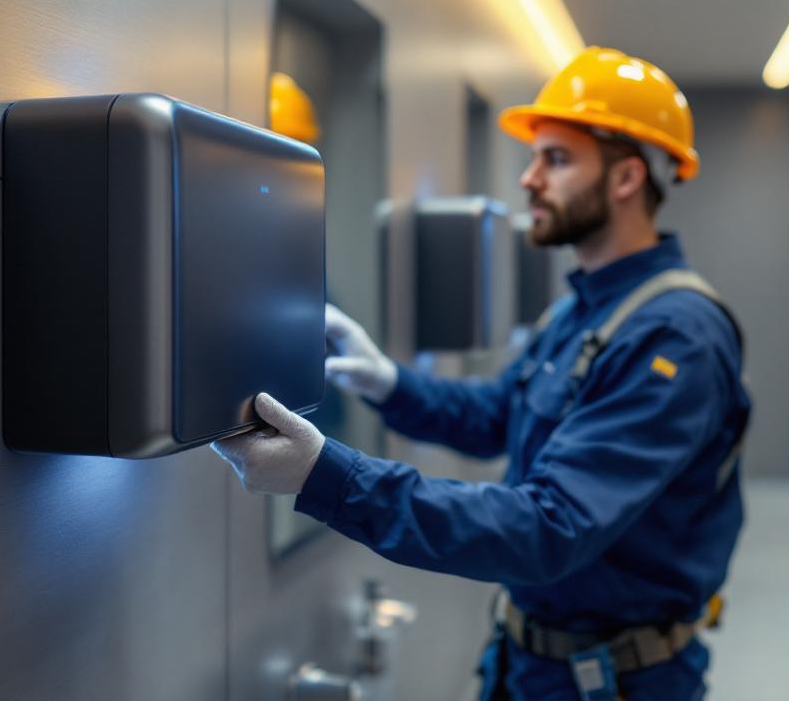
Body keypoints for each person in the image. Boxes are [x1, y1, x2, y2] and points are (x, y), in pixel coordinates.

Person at [213, 47, 751, 700]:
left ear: (627, 179)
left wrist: (325, 476)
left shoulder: (674, 337)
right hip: (528, 663)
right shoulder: (582, 308)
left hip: (619, 682)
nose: (529, 180)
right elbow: (497, 415)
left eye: (555, 159)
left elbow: (550, 526)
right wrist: (390, 383)